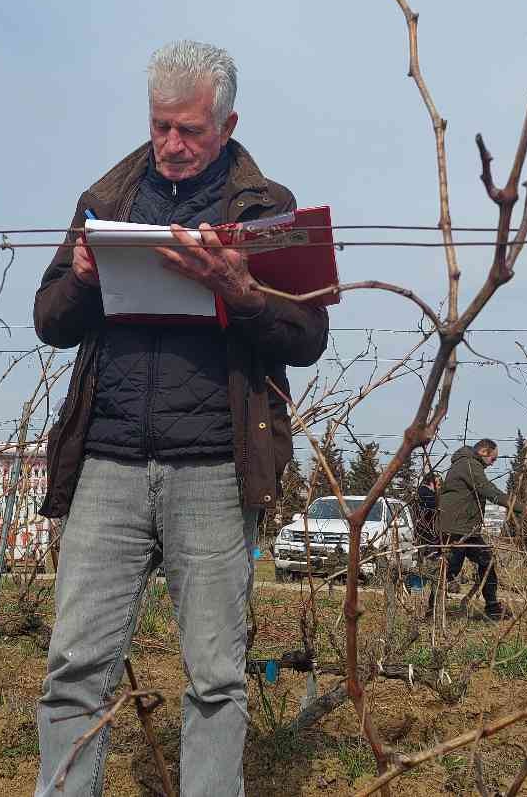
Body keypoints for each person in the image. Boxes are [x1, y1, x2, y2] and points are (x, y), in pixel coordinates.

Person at [32, 40, 329, 796]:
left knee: (218, 676)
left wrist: (247, 291)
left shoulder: (269, 211)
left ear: (228, 125)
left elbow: (309, 338)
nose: (171, 144)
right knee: (74, 667)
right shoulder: (106, 200)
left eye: (190, 130)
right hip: (107, 463)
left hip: (215, 469)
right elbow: (49, 319)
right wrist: (84, 278)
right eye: (161, 125)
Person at [429, 438, 527, 620]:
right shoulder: (468, 464)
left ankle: (492, 608)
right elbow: (488, 490)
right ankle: (433, 612)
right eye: (493, 459)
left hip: (466, 529)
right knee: (451, 568)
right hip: (455, 529)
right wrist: (519, 507)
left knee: (486, 561)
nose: (493, 464)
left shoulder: (466, 463)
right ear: (484, 452)